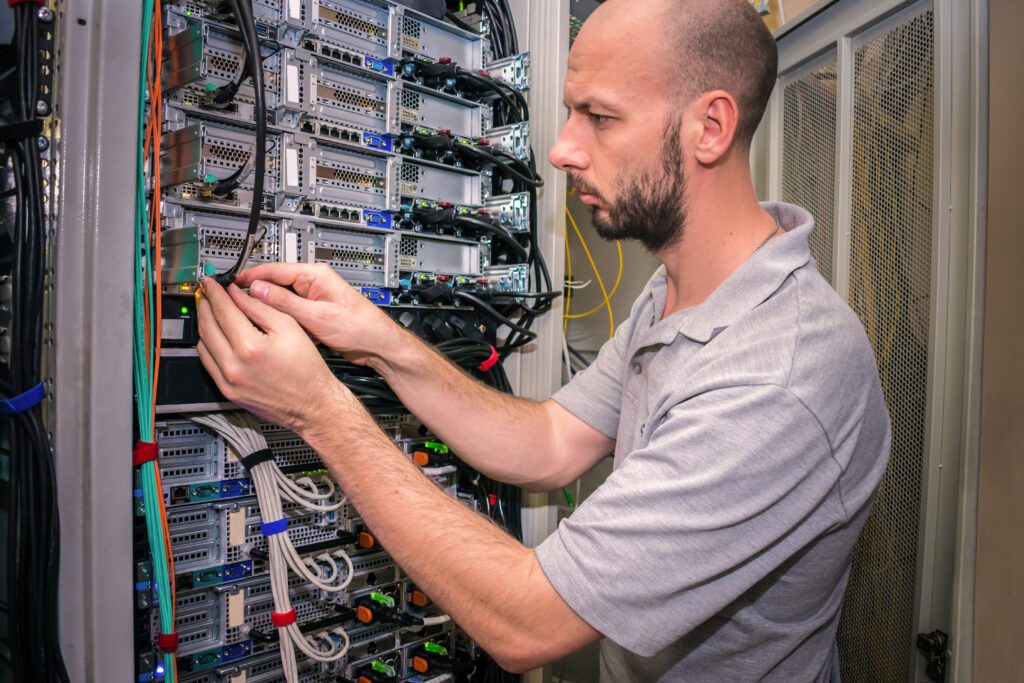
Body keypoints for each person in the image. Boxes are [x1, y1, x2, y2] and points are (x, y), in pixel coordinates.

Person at [195, 0, 891, 679]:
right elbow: (553, 441)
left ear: (710, 127)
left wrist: (321, 412)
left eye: (600, 117)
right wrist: (381, 342)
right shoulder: (680, 292)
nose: (560, 150)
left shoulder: (779, 375)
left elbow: (531, 622)